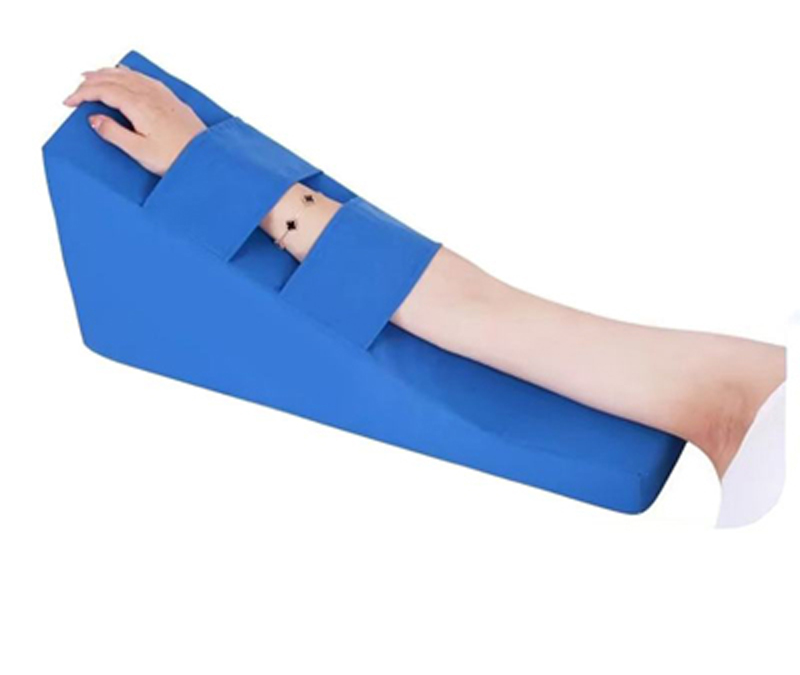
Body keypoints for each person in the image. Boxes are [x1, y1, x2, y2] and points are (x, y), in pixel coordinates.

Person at [64, 65, 785, 492]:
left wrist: (233, 181)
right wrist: (231, 179)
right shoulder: (755, 399)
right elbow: (479, 313)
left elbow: (480, 312)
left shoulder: (748, 399)